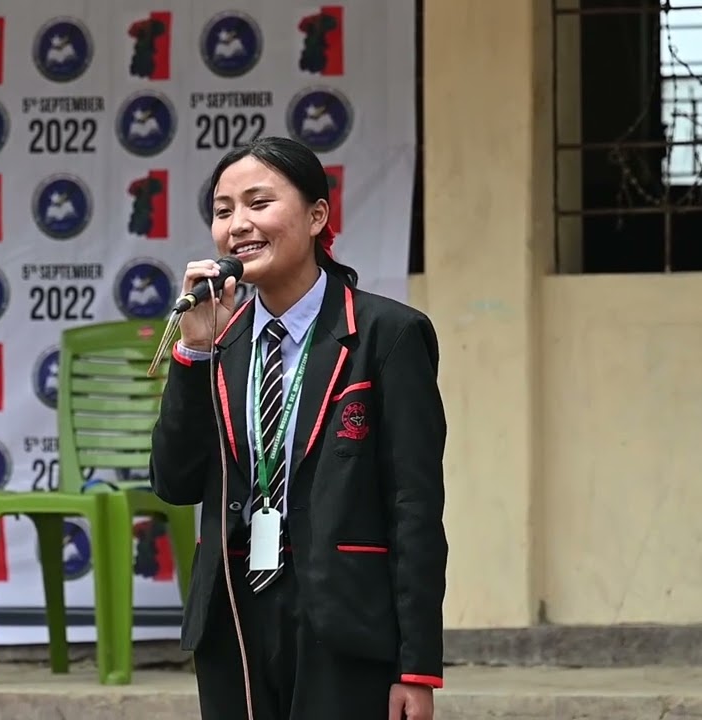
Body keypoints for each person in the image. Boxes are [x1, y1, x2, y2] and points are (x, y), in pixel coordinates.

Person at [149, 136, 447, 720]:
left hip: (343, 619)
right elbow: (175, 482)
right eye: (223, 210)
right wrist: (194, 356)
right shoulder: (219, 340)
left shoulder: (388, 336)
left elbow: (414, 506)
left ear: (317, 216)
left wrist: (416, 666)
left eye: (259, 203)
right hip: (234, 616)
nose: (239, 225)